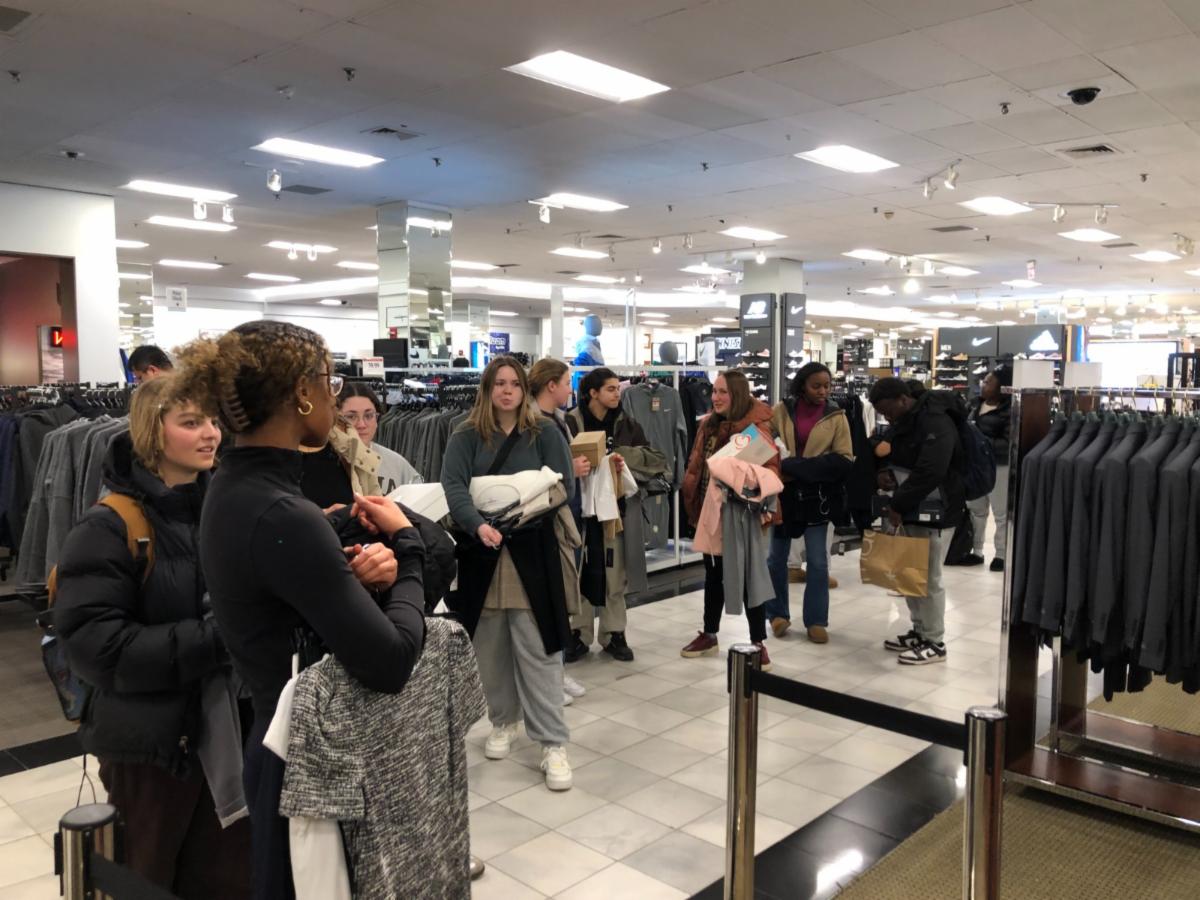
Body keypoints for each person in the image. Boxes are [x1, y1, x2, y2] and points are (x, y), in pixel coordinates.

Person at [174, 321, 427, 899]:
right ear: (301, 393)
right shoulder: (281, 513)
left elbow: (275, 599)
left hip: (275, 742)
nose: (335, 398)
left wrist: (331, 548)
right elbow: (391, 662)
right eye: (329, 382)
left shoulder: (231, 487)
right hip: (306, 765)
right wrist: (408, 548)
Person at [55, 375, 251, 899]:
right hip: (151, 748)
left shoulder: (221, 509)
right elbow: (98, 648)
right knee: (148, 876)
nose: (211, 433)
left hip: (226, 733)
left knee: (225, 878)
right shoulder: (108, 527)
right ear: (151, 432)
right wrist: (219, 639)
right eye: (191, 422)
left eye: (213, 421)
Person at [440, 356, 576, 791]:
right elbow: (453, 486)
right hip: (481, 551)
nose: (506, 391)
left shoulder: (545, 432)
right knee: (490, 646)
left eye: (514, 383)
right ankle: (503, 720)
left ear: (523, 389)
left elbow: (563, 486)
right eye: (498, 383)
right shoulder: (464, 433)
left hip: (531, 550)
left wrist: (520, 513)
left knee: (538, 646)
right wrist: (476, 524)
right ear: (487, 388)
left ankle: (552, 742)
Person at [679, 370, 781, 668]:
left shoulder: (756, 428)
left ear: (737, 394)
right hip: (709, 510)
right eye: (714, 391)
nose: (716, 397)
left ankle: (758, 642)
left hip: (741, 515)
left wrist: (739, 478)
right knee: (713, 575)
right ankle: (709, 633)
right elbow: (697, 466)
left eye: (723, 392)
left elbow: (771, 473)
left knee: (750, 577)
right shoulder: (708, 425)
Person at [563, 367, 660, 664]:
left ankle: (614, 633)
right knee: (578, 572)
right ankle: (578, 634)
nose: (618, 393)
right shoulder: (569, 423)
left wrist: (621, 457)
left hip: (615, 511)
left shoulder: (627, 424)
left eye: (618, 388)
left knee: (615, 575)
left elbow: (656, 460)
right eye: (611, 388)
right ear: (593, 393)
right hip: (578, 511)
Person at [868, 377, 965, 666]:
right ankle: (920, 631)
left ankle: (934, 641)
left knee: (930, 576)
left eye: (888, 410)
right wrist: (884, 473)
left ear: (903, 399)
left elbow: (931, 470)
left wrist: (898, 503)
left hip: (937, 509)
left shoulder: (936, 420)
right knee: (910, 571)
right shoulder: (906, 420)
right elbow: (896, 454)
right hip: (911, 505)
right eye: (882, 414)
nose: (887, 417)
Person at [767, 363, 853, 643]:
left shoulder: (837, 416)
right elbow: (767, 442)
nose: (823, 391)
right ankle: (777, 614)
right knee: (775, 559)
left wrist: (796, 467)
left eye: (827, 386)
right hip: (784, 495)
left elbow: (844, 459)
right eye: (816, 386)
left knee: (817, 562)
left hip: (818, 497)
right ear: (802, 384)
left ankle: (816, 620)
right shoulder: (782, 410)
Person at [527, 358, 588, 705]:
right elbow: (535, 472)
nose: (569, 389)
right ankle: (548, 679)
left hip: (566, 513)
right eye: (566, 382)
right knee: (547, 599)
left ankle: (557, 670)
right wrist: (570, 469)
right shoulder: (532, 424)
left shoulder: (559, 420)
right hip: (546, 518)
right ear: (551, 385)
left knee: (562, 595)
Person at [337, 381, 423, 493]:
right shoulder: (323, 465)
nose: (362, 424)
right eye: (351, 417)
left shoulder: (397, 464)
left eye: (369, 415)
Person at [966, 365, 1012, 572]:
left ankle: (1001, 554)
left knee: (1000, 512)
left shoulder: (1009, 411)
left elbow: (1007, 443)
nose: (983, 385)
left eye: (988, 382)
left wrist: (980, 442)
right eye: (983, 381)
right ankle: (976, 550)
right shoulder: (974, 405)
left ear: (1002, 387)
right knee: (976, 509)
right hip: (975, 464)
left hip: (998, 465)